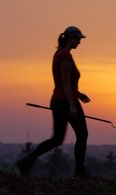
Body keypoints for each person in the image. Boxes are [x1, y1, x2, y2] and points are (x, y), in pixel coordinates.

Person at [17, 26, 91, 177]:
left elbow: (64, 83)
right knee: (82, 134)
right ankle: (79, 172)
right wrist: (72, 104)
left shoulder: (59, 54)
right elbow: (64, 81)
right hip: (65, 101)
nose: (79, 42)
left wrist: (78, 93)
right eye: (78, 39)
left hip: (59, 100)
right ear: (70, 38)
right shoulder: (65, 56)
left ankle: (26, 162)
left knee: (57, 138)